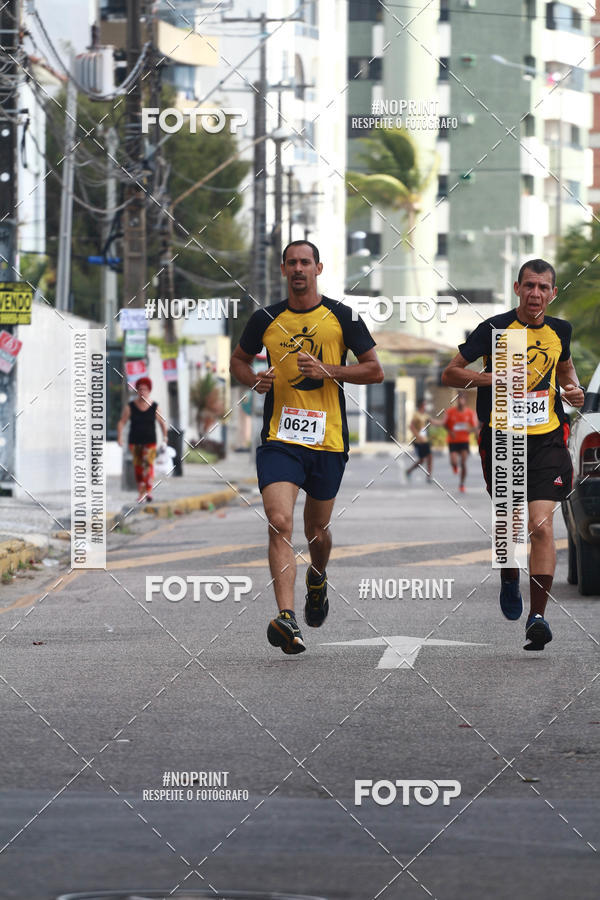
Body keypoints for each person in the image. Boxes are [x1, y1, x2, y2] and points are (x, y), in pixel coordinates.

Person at [230, 240, 384, 655]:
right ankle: (287, 617)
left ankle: (317, 575)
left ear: (319, 267)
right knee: (280, 521)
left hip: (328, 440)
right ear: (283, 270)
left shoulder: (342, 317)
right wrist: (252, 380)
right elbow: (238, 361)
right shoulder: (266, 318)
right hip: (281, 438)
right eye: (292, 263)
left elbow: (375, 370)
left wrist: (328, 370)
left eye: (306, 262)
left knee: (317, 530)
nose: (299, 269)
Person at [442, 259, 585, 651]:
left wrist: (574, 391)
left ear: (553, 292)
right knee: (508, 524)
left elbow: (566, 371)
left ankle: (537, 618)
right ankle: (508, 575)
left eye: (543, 287)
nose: (535, 294)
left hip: (548, 438)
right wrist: (494, 378)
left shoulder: (560, 331)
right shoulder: (494, 328)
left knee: (540, 526)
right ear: (517, 288)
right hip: (503, 439)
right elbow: (451, 373)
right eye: (529, 286)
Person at [117, 376, 168, 503]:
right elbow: (121, 422)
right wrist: (119, 437)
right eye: (140, 389)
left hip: (150, 441)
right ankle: (141, 492)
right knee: (139, 467)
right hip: (135, 442)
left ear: (149, 390)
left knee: (148, 465)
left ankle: (148, 491)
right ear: (137, 391)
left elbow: (162, 423)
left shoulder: (155, 406)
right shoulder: (130, 407)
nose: (142, 392)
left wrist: (165, 437)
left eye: (145, 389)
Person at [442, 391, 479, 492]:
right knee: (454, 461)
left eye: (462, 399)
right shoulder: (450, 412)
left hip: (464, 441)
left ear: (465, 401)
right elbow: (445, 424)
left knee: (463, 463)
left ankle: (462, 484)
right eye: (458, 399)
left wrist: (471, 432)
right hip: (453, 441)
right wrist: (450, 431)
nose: (460, 401)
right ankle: (454, 466)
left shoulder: (470, 413)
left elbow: (475, 428)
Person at [405, 399, 434, 480]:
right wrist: (418, 436)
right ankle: (408, 471)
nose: (426, 406)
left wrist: (444, 422)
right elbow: (411, 426)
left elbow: (433, 422)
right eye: (425, 405)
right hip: (418, 441)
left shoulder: (425, 415)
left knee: (430, 457)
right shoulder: (416, 415)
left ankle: (429, 476)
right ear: (421, 405)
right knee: (421, 460)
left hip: (425, 440)